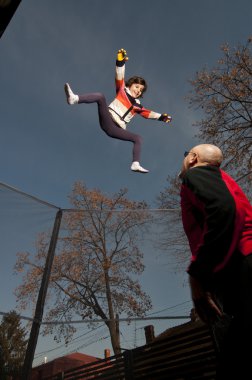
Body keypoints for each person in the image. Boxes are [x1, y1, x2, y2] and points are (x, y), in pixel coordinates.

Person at [179, 144, 252, 379]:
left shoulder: (195, 174)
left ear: (193, 158)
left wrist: (198, 274)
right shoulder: (222, 179)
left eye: (186, 154)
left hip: (242, 266)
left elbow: (223, 210)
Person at [64, 49, 172, 173]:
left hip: (117, 129)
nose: (138, 90)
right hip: (108, 119)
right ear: (130, 85)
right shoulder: (122, 90)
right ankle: (74, 99)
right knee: (100, 96)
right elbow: (119, 76)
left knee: (138, 138)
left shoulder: (138, 106)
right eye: (137, 87)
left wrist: (162, 117)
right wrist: (120, 62)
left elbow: (148, 114)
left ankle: (135, 164)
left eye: (141, 90)